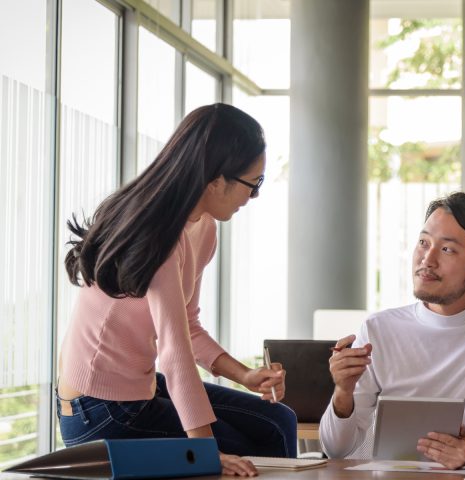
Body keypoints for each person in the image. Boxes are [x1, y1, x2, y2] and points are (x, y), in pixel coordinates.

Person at [58, 103, 297, 477]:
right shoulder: (160, 237)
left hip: (138, 388)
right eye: (253, 184)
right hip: (99, 410)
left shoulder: (203, 228)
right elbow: (174, 354)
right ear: (216, 180)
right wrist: (204, 453)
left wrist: (245, 375)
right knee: (243, 449)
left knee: (277, 420)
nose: (253, 197)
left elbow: (187, 324)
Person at [319, 192, 465, 469]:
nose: (427, 259)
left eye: (447, 249)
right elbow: (336, 449)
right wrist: (343, 392)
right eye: (423, 243)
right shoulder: (378, 329)